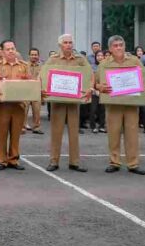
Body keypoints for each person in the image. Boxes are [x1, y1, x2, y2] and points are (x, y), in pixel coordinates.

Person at [96, 35, 145, 175]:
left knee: (132, 134)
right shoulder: (103, 64)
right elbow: (95, 82)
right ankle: (114, 162)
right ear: (110, 48)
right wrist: (100, 87)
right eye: (115, 46)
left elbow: (144, 79)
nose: (119, 48)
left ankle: (133, 164)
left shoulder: (135, 61)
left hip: (131, 104)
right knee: (113, 134)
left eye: (121, 45)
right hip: (113, 104)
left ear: (125, 46)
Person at [42, 34, 91, 172]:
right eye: (65, 43)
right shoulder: (53, 59)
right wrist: (43, 90)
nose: (69, 45)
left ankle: (74, 162)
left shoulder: (80, 59)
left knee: (74, 132)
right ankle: (54, 161)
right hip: (57, 101)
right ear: (60, 45)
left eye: (70, 42)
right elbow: (44, 76)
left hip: (74, 101)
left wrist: (89, 89)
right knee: (56, 132)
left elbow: (89, 75)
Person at [0, 40, 29, 171]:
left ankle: (13, 159)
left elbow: (30, 82)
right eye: (8, 49)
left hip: (19, 105)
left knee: (16, 133)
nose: (11, 51)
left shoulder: (24, 66)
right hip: (3, 106)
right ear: (2, 51)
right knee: (2, 133)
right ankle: (2, 160)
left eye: (13, 48)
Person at [25, 48, 44, 135]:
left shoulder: (42, 67)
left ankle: (36, 127)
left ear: (38, 56)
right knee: (24, 109)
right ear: (29, 56)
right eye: (32, 54)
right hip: (26, 91)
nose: (34, 56)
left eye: (35, 55)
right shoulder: (24, 65)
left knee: (37, 110)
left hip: (37, 91)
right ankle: (22, 126)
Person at [89, 51, 107, 133]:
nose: (100, 57)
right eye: (98, 55)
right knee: (93, 109)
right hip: (94, 90)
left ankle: (102, 126)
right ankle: (93, 126)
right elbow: (91, 79)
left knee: (102, 110)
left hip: (104, 91)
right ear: (95, 57)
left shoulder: (106, 66)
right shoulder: (92, 67)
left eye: (101, 55)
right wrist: (94, 89)